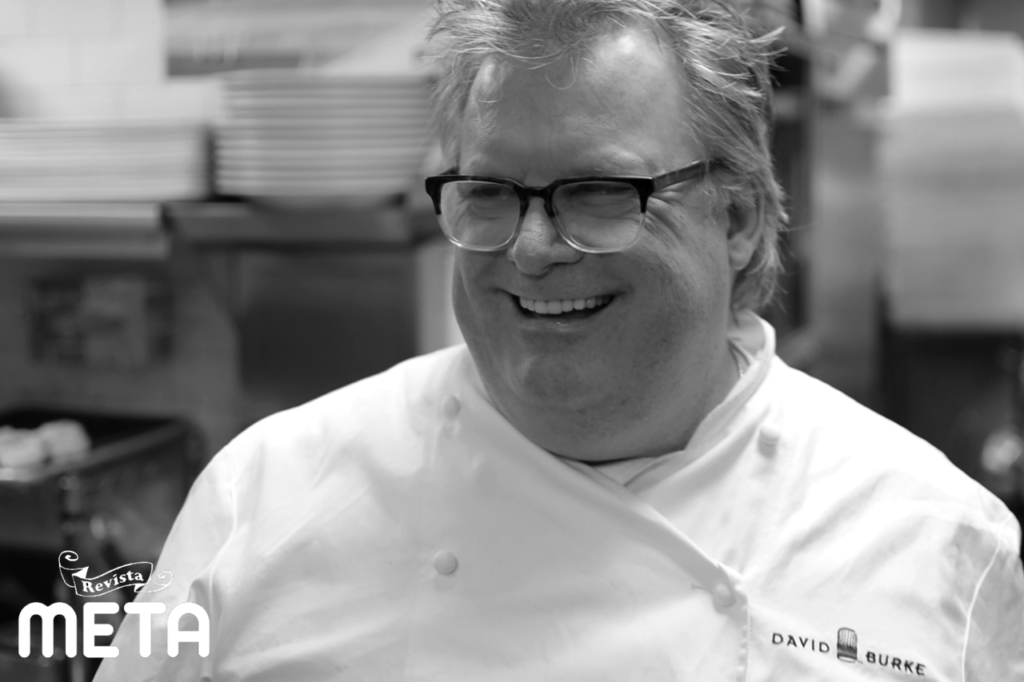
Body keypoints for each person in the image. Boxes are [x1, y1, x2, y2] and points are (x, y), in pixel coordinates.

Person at [96, 0, 1024, 679]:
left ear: (736, 219)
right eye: (489, 194)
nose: (532, 249)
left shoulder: (935, 540)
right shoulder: (264, 498)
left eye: (600, 193)